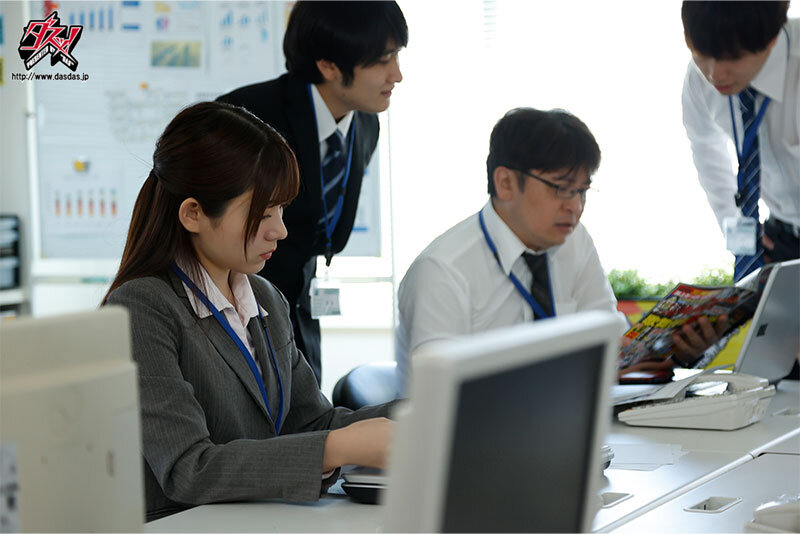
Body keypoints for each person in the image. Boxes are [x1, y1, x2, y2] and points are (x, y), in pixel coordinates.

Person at [103, 102, 394, 521]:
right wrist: (337, 447)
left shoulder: (265, 297)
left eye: (281, 209)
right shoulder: (142, 308)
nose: (280, 230)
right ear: (193, 213)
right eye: (262, 213)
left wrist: (417, 412)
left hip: (257, 520)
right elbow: (188, 470)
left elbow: (310, 423)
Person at [395, 108, 727, 392]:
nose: (575, 207)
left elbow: (612, 342)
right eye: (562, 189)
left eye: (582, 191)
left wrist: (676, 350)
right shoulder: (443, 271)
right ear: (505, 183)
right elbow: (441, 394)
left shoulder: (574, 241)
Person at [217, 1, 408, 385]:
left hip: (303, 305)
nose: (397, 75)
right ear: (329, 66)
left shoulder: (366, 125)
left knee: (309, 408)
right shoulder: (246, 116)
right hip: (235, 308)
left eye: (397, 55)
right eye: (382, 60)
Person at [681, 1, 799, 282]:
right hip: (780, 237)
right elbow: (707, 153)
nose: (714, 74)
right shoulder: (698, 79)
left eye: (732, 58)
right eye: (701, 54)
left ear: (771, 39)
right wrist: (738, 229)